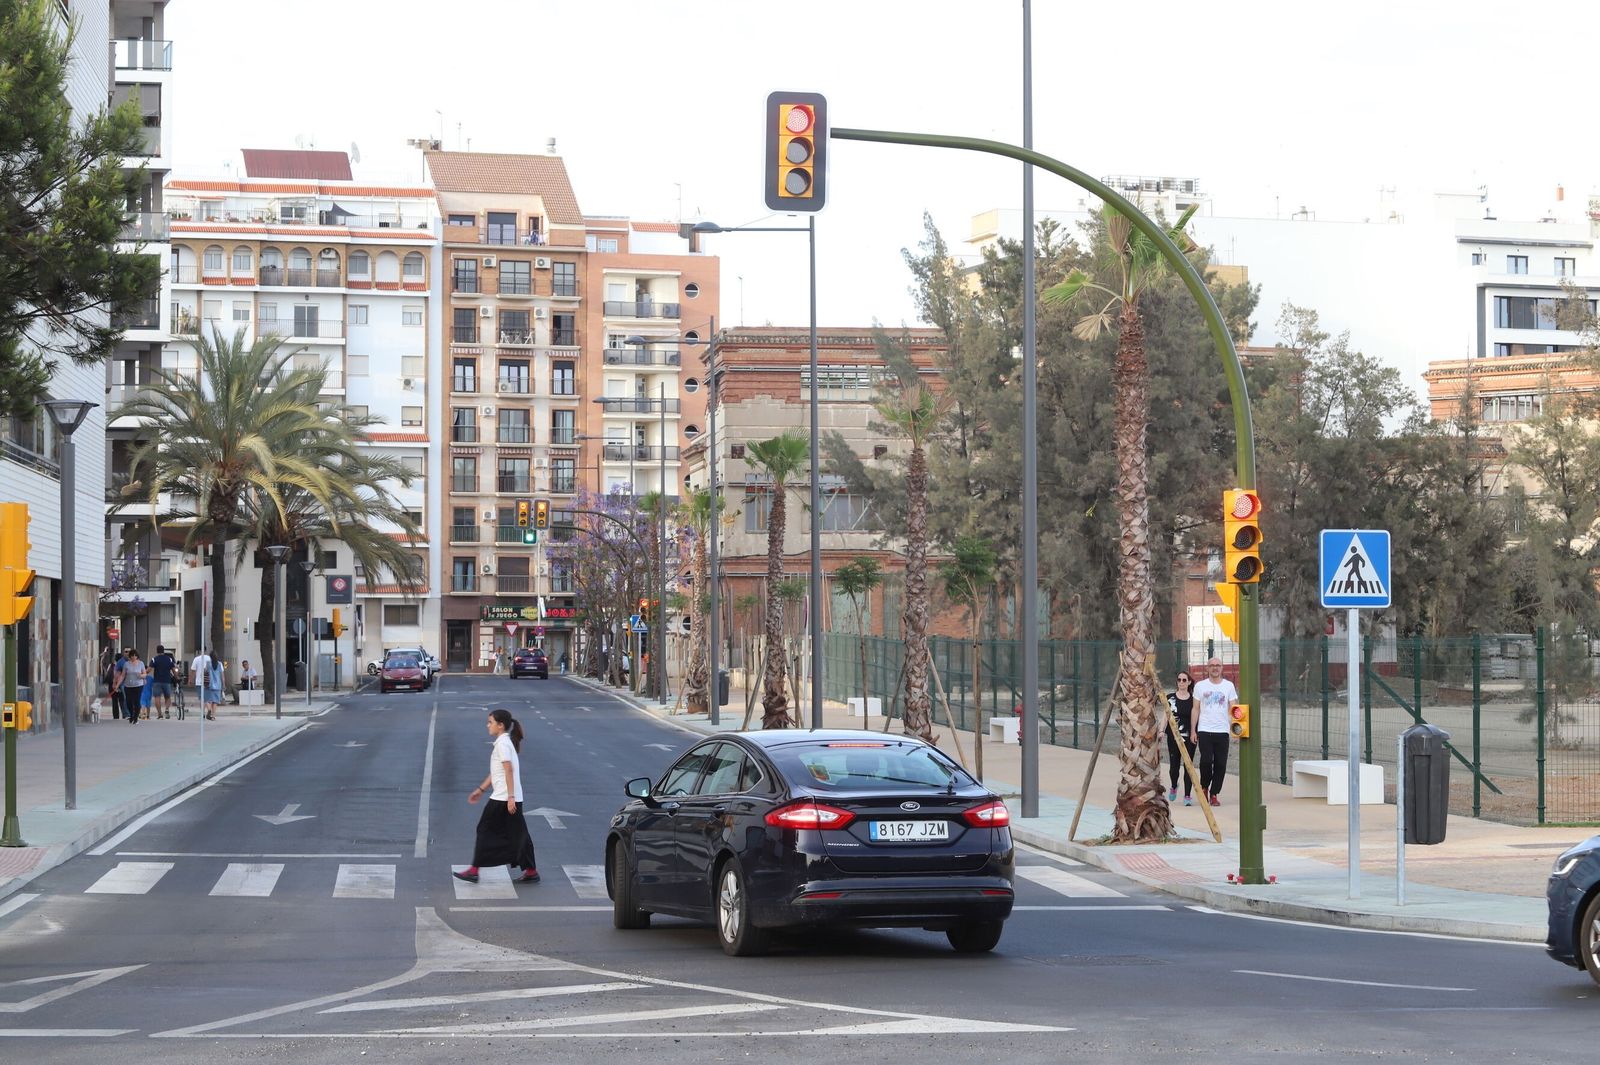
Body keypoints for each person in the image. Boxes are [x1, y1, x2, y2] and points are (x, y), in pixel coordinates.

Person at [453, 709, 539, 886]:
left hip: (503, 798)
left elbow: (508, 770)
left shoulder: (502, 744)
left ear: (500, 725)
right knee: (520, 834)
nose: (487, 725)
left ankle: (474, 870)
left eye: (490, 722)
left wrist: (510, 798)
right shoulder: (505, 742)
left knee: (484, 830)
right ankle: (530, 870)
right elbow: (497, 772)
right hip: (507, 796)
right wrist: (481, 789)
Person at [1192, 657, 1239, 807]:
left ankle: (1214, 793)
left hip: (1222, 730)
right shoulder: (1200, 686)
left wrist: (1236, 729)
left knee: (1220, 764)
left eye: (1217, 665)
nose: (1215, 668)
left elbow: (1234, 709)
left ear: (1222, 668)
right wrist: (1193, 730)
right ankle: (1204, 787)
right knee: (1206, 761)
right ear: (1207, 668)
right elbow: (1196, 708)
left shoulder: (1228, 686)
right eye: (1212, 665)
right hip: (1205, 729)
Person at [1162, 670, 1199, 806]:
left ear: (1189, 682)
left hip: (1189, 736)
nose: (1181, 682)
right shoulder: (1170, 697)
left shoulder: (1194, 699)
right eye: (1179, 680)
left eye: (1184, 680)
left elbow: (1197, 715)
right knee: (1174, 765)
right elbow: (1166, 715)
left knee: (1188, 765)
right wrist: (1161, 731)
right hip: (1173, 736)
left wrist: (1195, 733)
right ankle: (1173, 785)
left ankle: (1188, 795)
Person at [150, 644, 177, 719]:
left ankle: (159, 714)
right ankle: (167, 709)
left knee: (157, 697)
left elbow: (149, 669)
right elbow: (173, 670)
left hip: (157, 681)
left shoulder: (154, 659)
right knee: (167, 697)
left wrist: (143, 673)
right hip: (167, 681)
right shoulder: (169, 659)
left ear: (157, 651)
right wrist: (176, 677)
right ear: (163, 650)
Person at [192, 647, 219, 721]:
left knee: (202, 698)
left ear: (199, 651)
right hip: (209, 682)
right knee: (207, 698)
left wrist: (191, 680)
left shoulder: (196, 659)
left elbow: (193, 671)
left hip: (199, 682)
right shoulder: (210, 659)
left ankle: (204, 712)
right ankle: (208, 712)